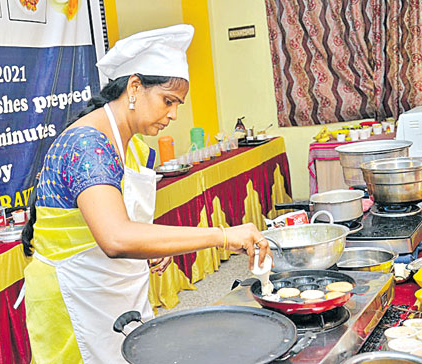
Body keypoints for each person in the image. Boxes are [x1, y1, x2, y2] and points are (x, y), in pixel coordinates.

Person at [21, 24, 272, 364]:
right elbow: (116, 237)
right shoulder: (86, 145)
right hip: (77, 296)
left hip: (115, 289)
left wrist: (149, 248)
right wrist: (221, 235)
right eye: (168, 101)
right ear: (135, 87)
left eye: (178, 104)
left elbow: (122, 224)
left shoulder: (133, 146)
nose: (174, 114)